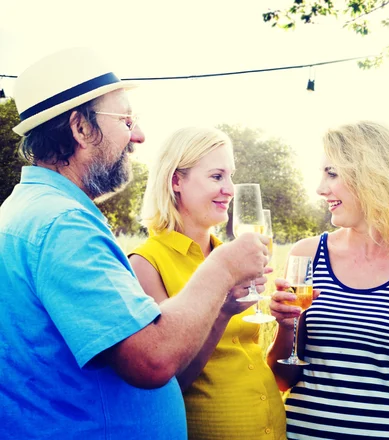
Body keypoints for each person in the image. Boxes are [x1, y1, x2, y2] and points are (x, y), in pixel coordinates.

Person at [0, 48, 269, 440]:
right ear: (80, 128)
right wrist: (224, 267)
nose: (139, 136)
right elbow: (151, 359)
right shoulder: (61, 224)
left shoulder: (30, 210)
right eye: (126, 120)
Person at [267, 120, 389, 439]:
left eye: (332, 173)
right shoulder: (306, 255)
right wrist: (287, 326)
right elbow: (280, 380)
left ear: (371, 176)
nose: (320, 188)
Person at [128, 126, 286, 439]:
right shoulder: (146, 263)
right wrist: (223, 311)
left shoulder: (230, 254)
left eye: (230, 176)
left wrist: (288, 325)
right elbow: (169, 380)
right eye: (216, 176)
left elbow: (253, 358)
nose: (229, 188)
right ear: (176, 181)